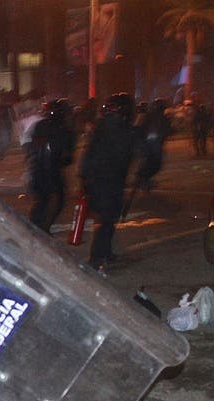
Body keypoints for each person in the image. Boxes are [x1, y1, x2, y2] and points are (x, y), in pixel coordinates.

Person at [80, 92, 137, 272]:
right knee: (107, 220)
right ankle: (97, 257)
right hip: (110, 181)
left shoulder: (101, 128)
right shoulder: (124, 130)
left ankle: (105, 252)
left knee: (107, 219)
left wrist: (84, 180)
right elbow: (134, 152)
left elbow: (88, 156)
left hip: (98, 180)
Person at [27, 99, 75, 234]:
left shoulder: (40, 125)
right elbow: (67, 157)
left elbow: (31, 146)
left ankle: (34, 227)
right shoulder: (63, 130)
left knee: (41, 200)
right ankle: (43, 228)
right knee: (57, 199)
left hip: (37, 169)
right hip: (52, 170)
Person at [133, 99, 172, 192]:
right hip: (149, 143)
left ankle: (144, 178)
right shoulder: (148, 116)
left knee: (156, 164)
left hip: (156, 143)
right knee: (150, 161)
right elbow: (140, 128)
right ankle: (142, 178)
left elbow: (168, 129)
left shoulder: (163, 118)